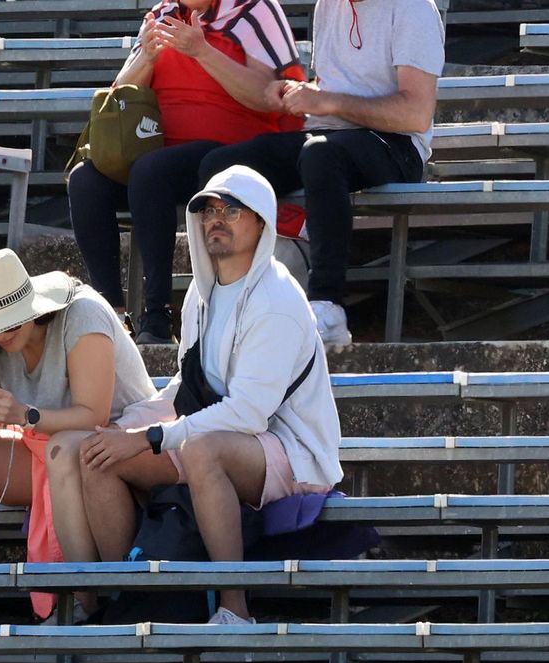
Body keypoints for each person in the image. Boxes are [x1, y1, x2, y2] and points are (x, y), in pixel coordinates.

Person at [73, 165, 342, 625]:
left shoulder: (277, 301)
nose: (217, 218)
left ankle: (235, 609)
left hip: (294, 451)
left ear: (261, 222)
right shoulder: (201, 290)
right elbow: (188, 384)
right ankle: (130, 597)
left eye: (232, 210)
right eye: (208, 210)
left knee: (201, 452)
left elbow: (248, 413)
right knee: (98, 454)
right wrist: (126, 427)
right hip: (219, 435)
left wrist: (149, 438)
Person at [0, 249, 156, 626]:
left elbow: (93, 415)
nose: (1, 331)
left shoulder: (83, 313)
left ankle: (81, 600)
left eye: (8, 317)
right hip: (48, 453)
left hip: (120, 448)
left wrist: (23, 415)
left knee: (61, 450)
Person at [197, 0, 445, 346]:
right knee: (221, 167)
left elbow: (415, 114)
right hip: (328, 136)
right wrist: (291, 91)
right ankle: (233, 298)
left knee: (320, 155)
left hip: (397, 145)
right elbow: (335, 84)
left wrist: (328, 101)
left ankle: (327, 305)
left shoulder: (413, 7)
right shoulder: (327, 5)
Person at [69, 0, 304, 345]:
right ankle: (111, 318)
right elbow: (118, 97)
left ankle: (157, 315)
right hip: (160, 156)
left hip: (233, 153)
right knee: (85, 180)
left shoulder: (255, 10)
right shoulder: (160, 15)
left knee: (152, 171)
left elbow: (272, 97)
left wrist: (203, 52)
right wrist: (146, 57)